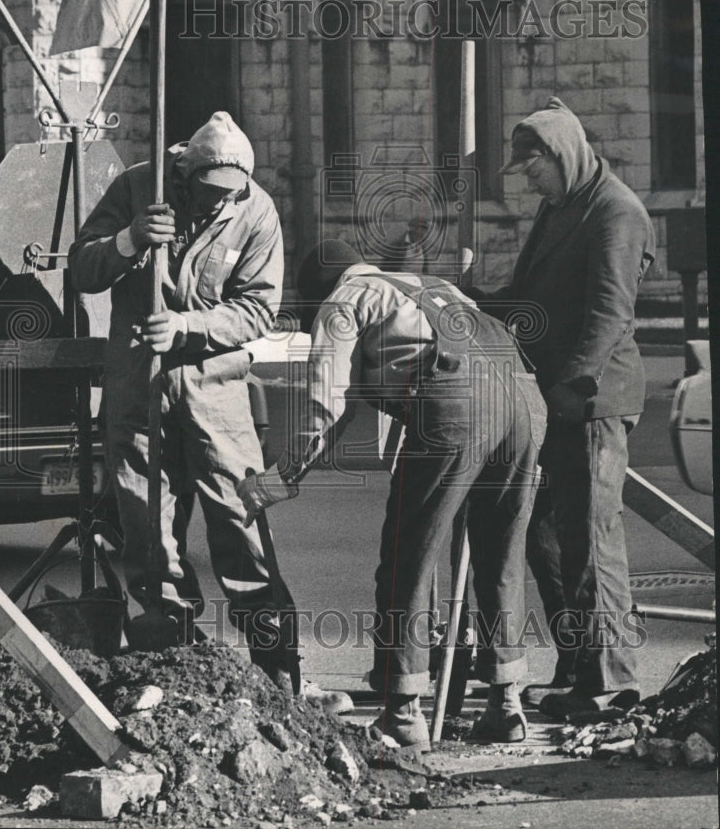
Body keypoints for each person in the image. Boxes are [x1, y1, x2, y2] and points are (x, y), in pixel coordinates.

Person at [238, 240, 547, 748]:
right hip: (522, 398)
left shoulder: (344, 302)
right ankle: (506, 704)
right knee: (501, 557)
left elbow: (326, 405)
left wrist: (277, 481)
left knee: (410, 554)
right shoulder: (431, 286)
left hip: (457, 403)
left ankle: (404, 714)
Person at [68, 111, 331, 700]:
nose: (218, 207)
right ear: (185, 175)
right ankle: (173, 669)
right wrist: (130, 240)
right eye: (209, 195)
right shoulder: (141, 185)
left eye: (229, 197)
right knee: (148, 532)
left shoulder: (256, 209)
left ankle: (278, 672)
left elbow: (259, 309)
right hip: (139, 390)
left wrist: (187, 326)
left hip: (217, 392)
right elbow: (82, 268)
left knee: (241, 524)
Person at [477, 97, 655, 717]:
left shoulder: (615, 213)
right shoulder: (564, 207)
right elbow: (527, 296)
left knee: (591, 539)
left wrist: (568, 390)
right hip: (553, 400)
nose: (528, 184)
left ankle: (612, 684)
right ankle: (578, 666)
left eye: (533, 171)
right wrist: (470, 298)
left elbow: (610, 316)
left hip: (591, 403)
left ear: (562, 155)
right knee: (547, 537)